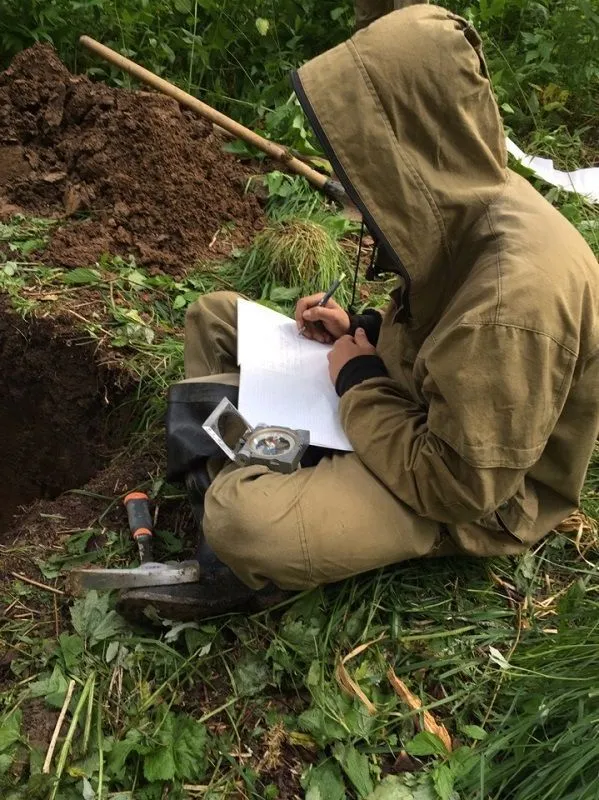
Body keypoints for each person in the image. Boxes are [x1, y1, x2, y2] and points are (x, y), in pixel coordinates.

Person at [118, 3, 599, 621]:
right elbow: (443, 329)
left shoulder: (516, 304)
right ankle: (270, 461)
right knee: (216, 316)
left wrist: (356, 380)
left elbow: (458, 484)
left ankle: (258, 523)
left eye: (364, 163)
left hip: (473, 499)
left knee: (241, 520)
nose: (354, 187)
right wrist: (365, 331)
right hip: (419, 405)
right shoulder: (469, 195)